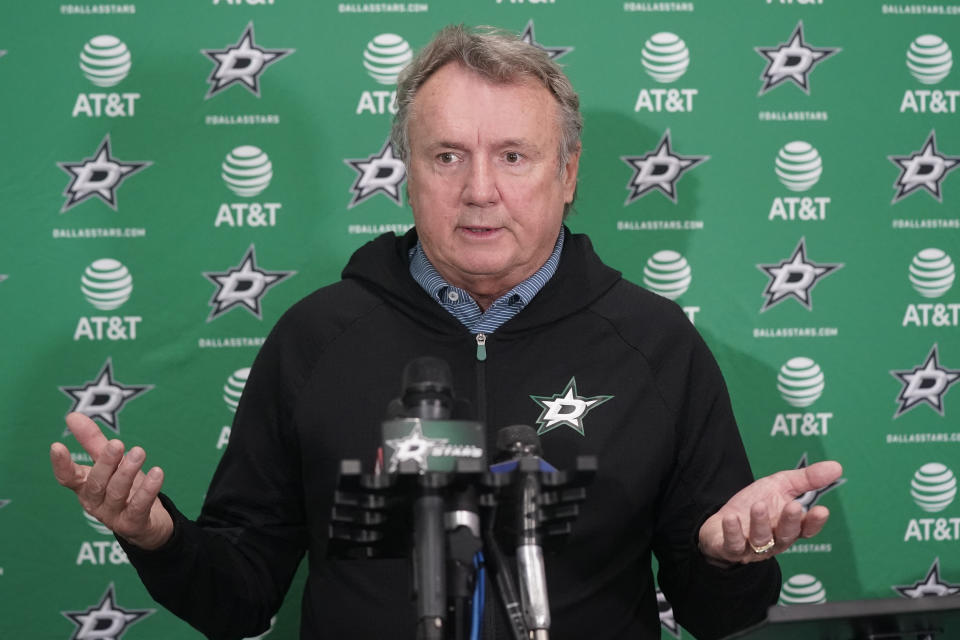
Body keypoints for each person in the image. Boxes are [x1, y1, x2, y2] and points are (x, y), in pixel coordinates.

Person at [50, 24, 842, 640]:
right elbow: (239, 597)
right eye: (447, 157)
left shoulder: (657, 344)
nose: (480, 191)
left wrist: (729, 556)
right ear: (405, 169)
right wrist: (157, 539)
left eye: (513, 156)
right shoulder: (314, 337)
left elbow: (717, 614)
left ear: (567, 175)